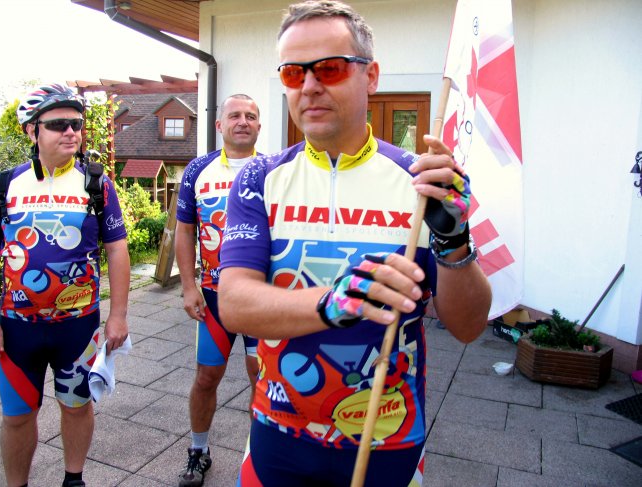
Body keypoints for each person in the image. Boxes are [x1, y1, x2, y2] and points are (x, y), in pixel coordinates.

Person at [217, 2, 492, 486]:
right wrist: (335, 302)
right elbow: (235, 305)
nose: (309, 85)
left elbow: (468, 326)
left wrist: (453, 238)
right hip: (279, 433)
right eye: (293, 72)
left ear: (371, 77)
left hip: (385, 439)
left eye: (330, 68)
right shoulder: (259, 177)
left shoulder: (420, 181)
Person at [0, 83, 130, 487]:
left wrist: (118, 316)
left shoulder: (97, 184)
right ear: (32, 131)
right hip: (17, 327)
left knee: (76, 406)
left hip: (78, 325)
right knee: (17, 416)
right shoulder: (5, 185)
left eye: (76, 124)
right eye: (58, 125)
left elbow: (117, 250)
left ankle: (74, 480)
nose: (71, 132)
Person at [175, 94, 262, 487]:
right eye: (235, 115)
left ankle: (259, 454)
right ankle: (198, 450)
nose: (243, 121)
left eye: (251, 116)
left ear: (259, 125)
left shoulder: (274, 169)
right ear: (219, 125)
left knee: (262, 379)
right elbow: (185, 230)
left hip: (261, 297)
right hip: (213, 296)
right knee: (207, 377)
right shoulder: (198, 169)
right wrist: (188, 285)